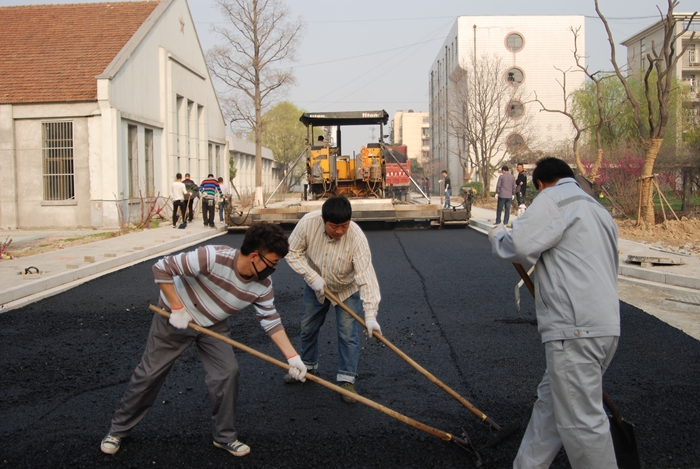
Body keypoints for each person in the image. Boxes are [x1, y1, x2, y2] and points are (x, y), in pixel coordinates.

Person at [100, 223, 307, 458]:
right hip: (177, 318)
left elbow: (271, 320)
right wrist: (177, 309)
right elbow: (161, 268)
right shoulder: (211, 257)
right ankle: (118, 430)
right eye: (272, 263)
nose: (274, 268)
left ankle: (225, 437)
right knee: (149, 374)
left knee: (228, 373)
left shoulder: (263, 286)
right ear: (254, 256)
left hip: (213, 325)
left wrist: (292, 357)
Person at [489, 157, 620, 469]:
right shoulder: (597, 210)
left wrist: (496, 234)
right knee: (552, 407)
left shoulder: (553, 198)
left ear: (540, 184)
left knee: (582, 424)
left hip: (573, 330)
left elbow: (517, 245)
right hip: (604, 326)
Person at [284, 195, 382, 403]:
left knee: (348, 334)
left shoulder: (356, 237)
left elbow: (366, 277)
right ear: (323, 220)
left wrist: (371, 315)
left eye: (344, 226)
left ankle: (347, 380)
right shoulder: (308, 224)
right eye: (334, 226)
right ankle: (307, 366)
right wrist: (312, 277)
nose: (339, 231)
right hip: (317, 285)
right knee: (307, 326)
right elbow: (292, 252)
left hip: (347, 289)